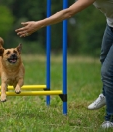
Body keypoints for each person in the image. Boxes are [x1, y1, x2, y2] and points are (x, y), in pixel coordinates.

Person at [15, 0, 113, 129]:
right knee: (103, 58)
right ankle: (107, 94)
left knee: (107, 72)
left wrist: (38, 24)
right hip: (111, 25)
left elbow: (68, 12)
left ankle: (109, 118)